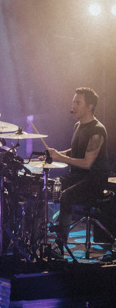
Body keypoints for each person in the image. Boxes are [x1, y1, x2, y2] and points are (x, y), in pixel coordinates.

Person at [47, 87, 108, 251]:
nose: (73, 105)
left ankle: (60, 244)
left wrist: (60, 158)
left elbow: (87, 163)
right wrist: (55, 154)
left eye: (77, 102)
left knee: (66, 195)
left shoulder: (97, 130)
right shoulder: (78, 126)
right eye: (73, 101)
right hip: (78, 177)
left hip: (94, 180)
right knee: (49, 184)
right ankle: (40, 236)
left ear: (90, 106)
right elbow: (75, 151)